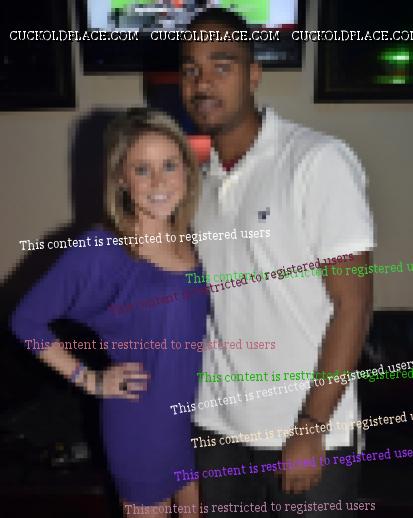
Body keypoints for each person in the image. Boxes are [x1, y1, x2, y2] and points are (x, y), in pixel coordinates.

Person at [179, 7, 375, 517]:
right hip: (217, 433)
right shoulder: (194, 185)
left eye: (221, 66)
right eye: (191, 69)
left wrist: (312, 424)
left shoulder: (317, 160)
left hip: (307, 432)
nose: (203, 83)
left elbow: (353, 305)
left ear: (254, 75)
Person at [11, 108, 208, 518]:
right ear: (121, 178)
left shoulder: (189, 238)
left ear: (187, 171)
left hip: (193, 421)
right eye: (142, 169)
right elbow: (26, 321)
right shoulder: (102, 249)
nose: (159, 182)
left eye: (170, 165)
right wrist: (90, 379)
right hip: (141, 427)